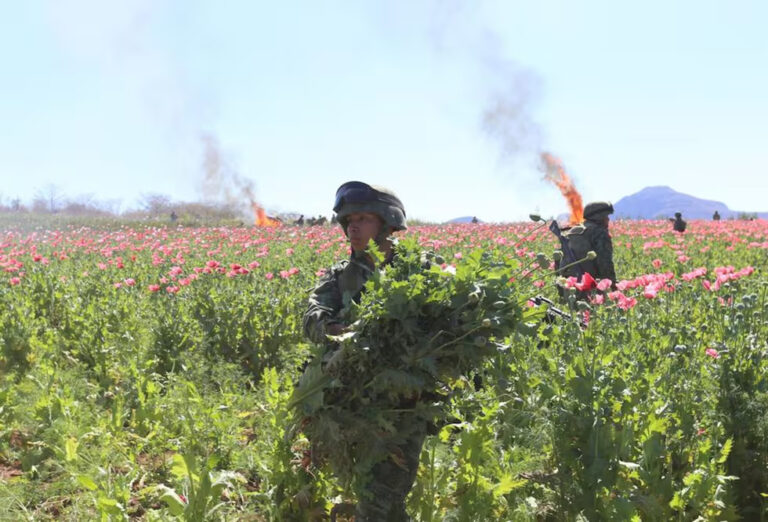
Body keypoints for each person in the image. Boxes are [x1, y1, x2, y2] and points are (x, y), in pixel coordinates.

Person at [302, 181, 421, 521]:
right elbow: (311, 315)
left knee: (379, 499)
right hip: (351, 401)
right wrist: (330, 329)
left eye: (364, 218)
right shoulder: (340, 277)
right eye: (348, 220)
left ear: (388, 222)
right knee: (377, 496)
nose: (353, 226)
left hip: (402, 405)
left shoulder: (419, 271)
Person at [561, 201, 617, 288]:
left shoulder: (573, 231)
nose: (608, 219)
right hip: (590, 287)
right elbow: (605, 263)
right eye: (606, 216)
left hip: (566, 284)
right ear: (599, 217)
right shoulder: (599, 232)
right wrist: (612, 285)